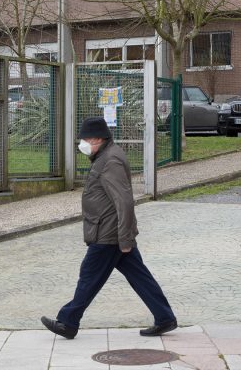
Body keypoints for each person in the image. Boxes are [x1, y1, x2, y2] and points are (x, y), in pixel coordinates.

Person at [41, 116, 177, 339]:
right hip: (112, 231)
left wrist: (124, 238)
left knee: (89, 276)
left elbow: (123, 201)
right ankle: (165, 318)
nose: (82, 144)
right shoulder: (105, 155)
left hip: (109, 233)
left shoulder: (110, 160)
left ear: (97, 138)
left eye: (84, 139)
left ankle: (67, 322)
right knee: (140, 277)